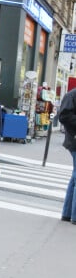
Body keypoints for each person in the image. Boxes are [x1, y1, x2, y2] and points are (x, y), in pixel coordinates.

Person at [59, 87, 76, 224]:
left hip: (73, 140)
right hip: (74, 140)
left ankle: (67, 213)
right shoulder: (72, 95)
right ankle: (74, 215)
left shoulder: (72, 95)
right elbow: (64, 116)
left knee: (74, 177)